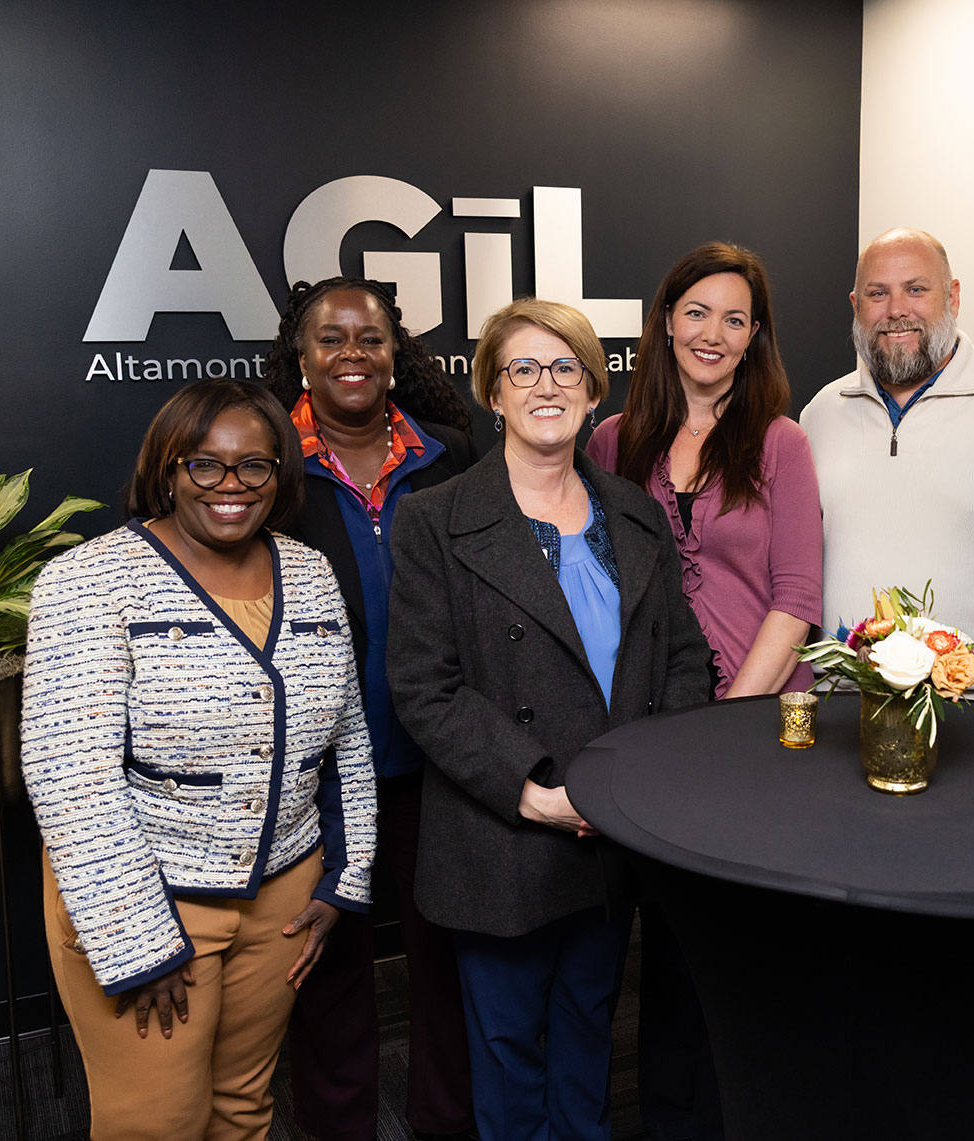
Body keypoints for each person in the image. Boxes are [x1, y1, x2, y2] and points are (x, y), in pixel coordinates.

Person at [387, 298, 714, 1141]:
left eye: (566, 367)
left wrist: (642, 779)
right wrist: (532, 791)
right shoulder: (432, 521)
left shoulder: (636, 514)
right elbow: (423, 685)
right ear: (492, 393)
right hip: (504, 832)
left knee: (588, 1033)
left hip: (612, 829)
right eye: (523, 368)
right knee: (507, 1052)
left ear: (594, 389)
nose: (546, 385)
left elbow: (683, 658)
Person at [21, 378, 378, 1140]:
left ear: (279, 472)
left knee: (242, 1106)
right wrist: (140, 943)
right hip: (150, 897)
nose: (230, 484)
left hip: (283, 898)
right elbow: (70, 775)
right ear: (168, 467)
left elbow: (345, 736)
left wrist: (345, 877)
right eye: (205, 464)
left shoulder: (309, 571)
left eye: (254, 465)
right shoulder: (89, 580)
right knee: (157, 1123)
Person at [586, 241, 819, 1139]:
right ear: (665, 322)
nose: (712, 333)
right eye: (696, 312)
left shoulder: (779, 442)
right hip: (650, 726)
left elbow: (796, 598)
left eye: (734, 318)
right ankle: (667, 1118)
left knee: (737, 948)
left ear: (755, 336)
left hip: (754, 729)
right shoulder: (612, 441)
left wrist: (726, 724)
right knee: (666, 941)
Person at [263, 277, 478, 1141]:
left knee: (445, 959)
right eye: (330, 338)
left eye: (371, 337)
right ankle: (337, 1127)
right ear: (301, 356)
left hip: (439, 759)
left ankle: (444, 1122)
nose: (351, 353)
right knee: (328, 966)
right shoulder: (267, 464)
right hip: (317, 771)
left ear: (396, 354)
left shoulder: (450, 454)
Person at [800, 227, 974, 683]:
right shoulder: (819, 415)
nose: (896, 310)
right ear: (855, 305)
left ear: (953, 297)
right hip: (838, 705)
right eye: (877, 293)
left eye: (916, 289)